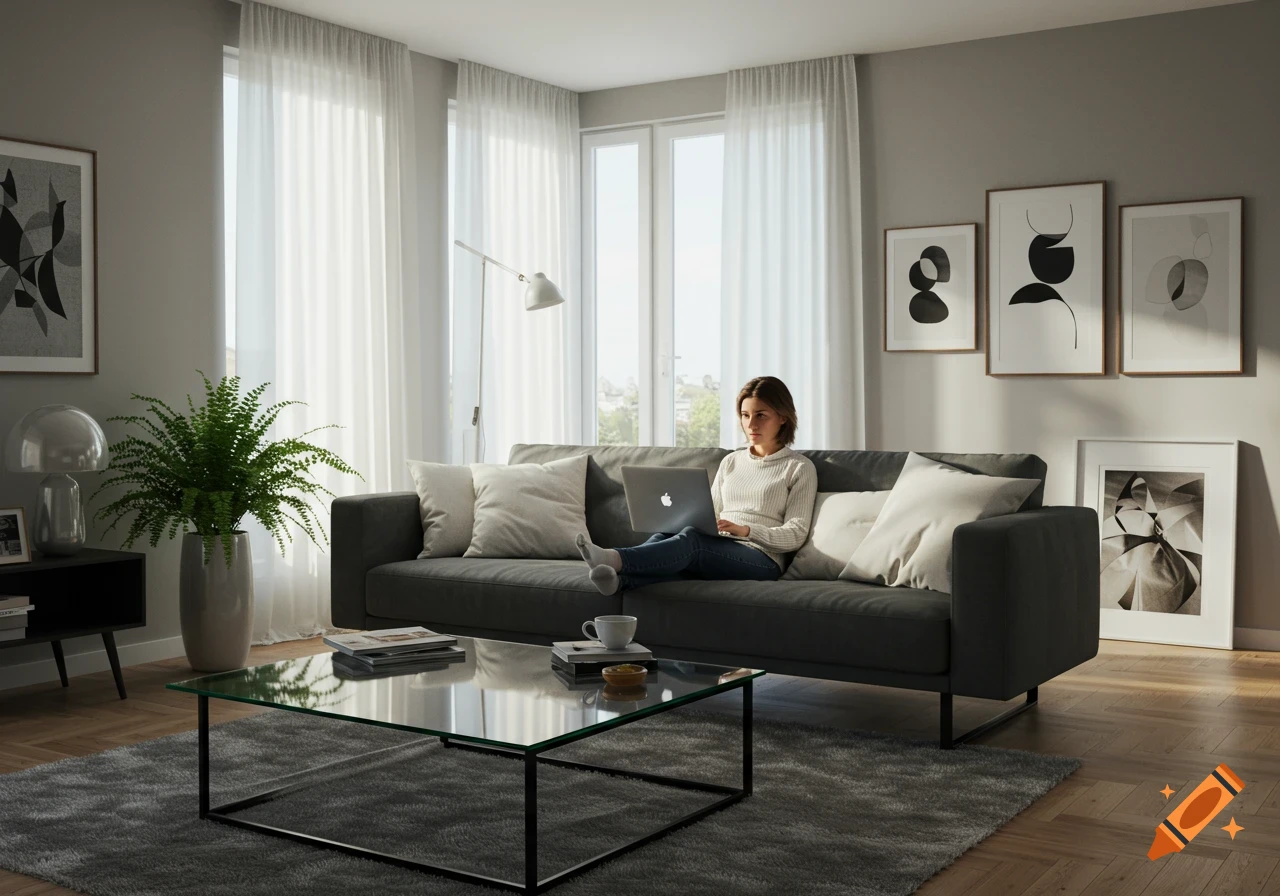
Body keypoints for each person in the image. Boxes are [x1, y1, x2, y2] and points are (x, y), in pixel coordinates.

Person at [576, 376, 818, 595]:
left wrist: (745, 530)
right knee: (669, 536)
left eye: (761, 415)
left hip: (763, 558)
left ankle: (614, 559)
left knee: (692, 542)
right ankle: (620, 581)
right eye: (745, 415)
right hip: (721, 546)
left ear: (783, 417)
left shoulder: (798, 467)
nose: (751, 424)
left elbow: (795, 534)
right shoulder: (731, 461)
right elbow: (710, 513)